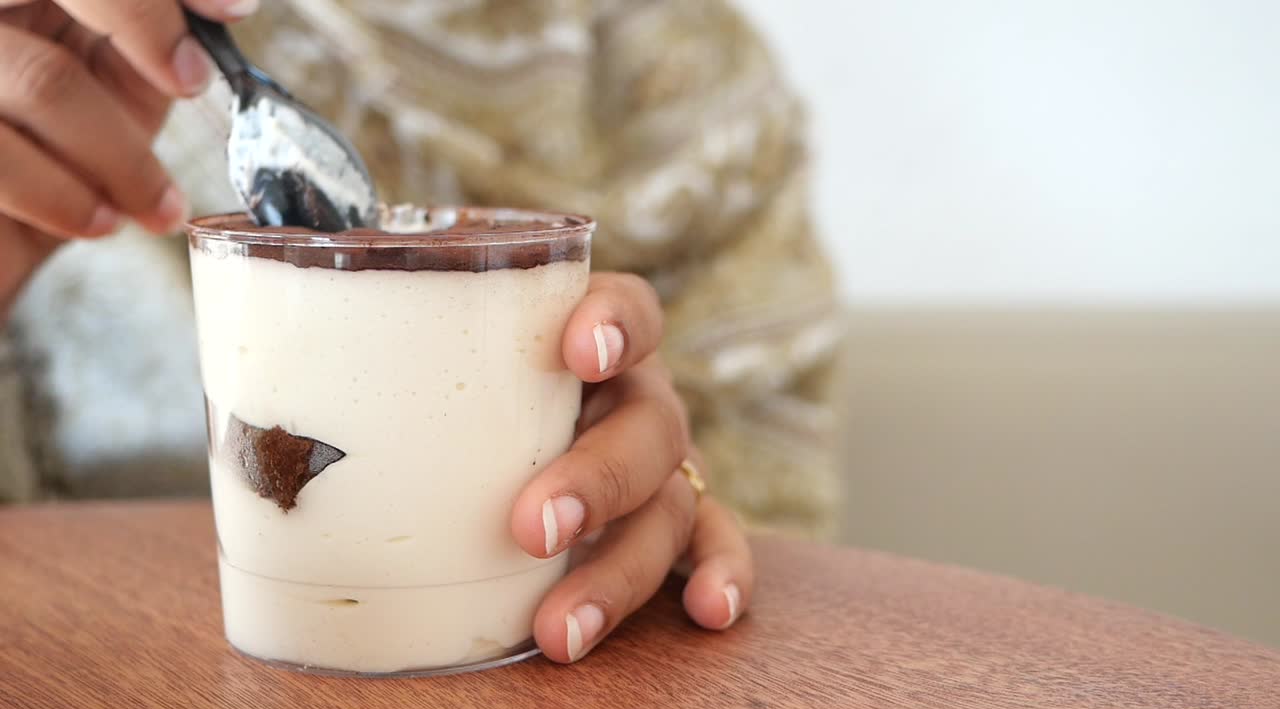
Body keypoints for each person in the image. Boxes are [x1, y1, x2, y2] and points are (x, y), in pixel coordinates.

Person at [0, 0, 842, 663]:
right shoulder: (49, 32)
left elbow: (763, 498)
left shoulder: (691, 80)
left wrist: (647, 493)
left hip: (522, 658)